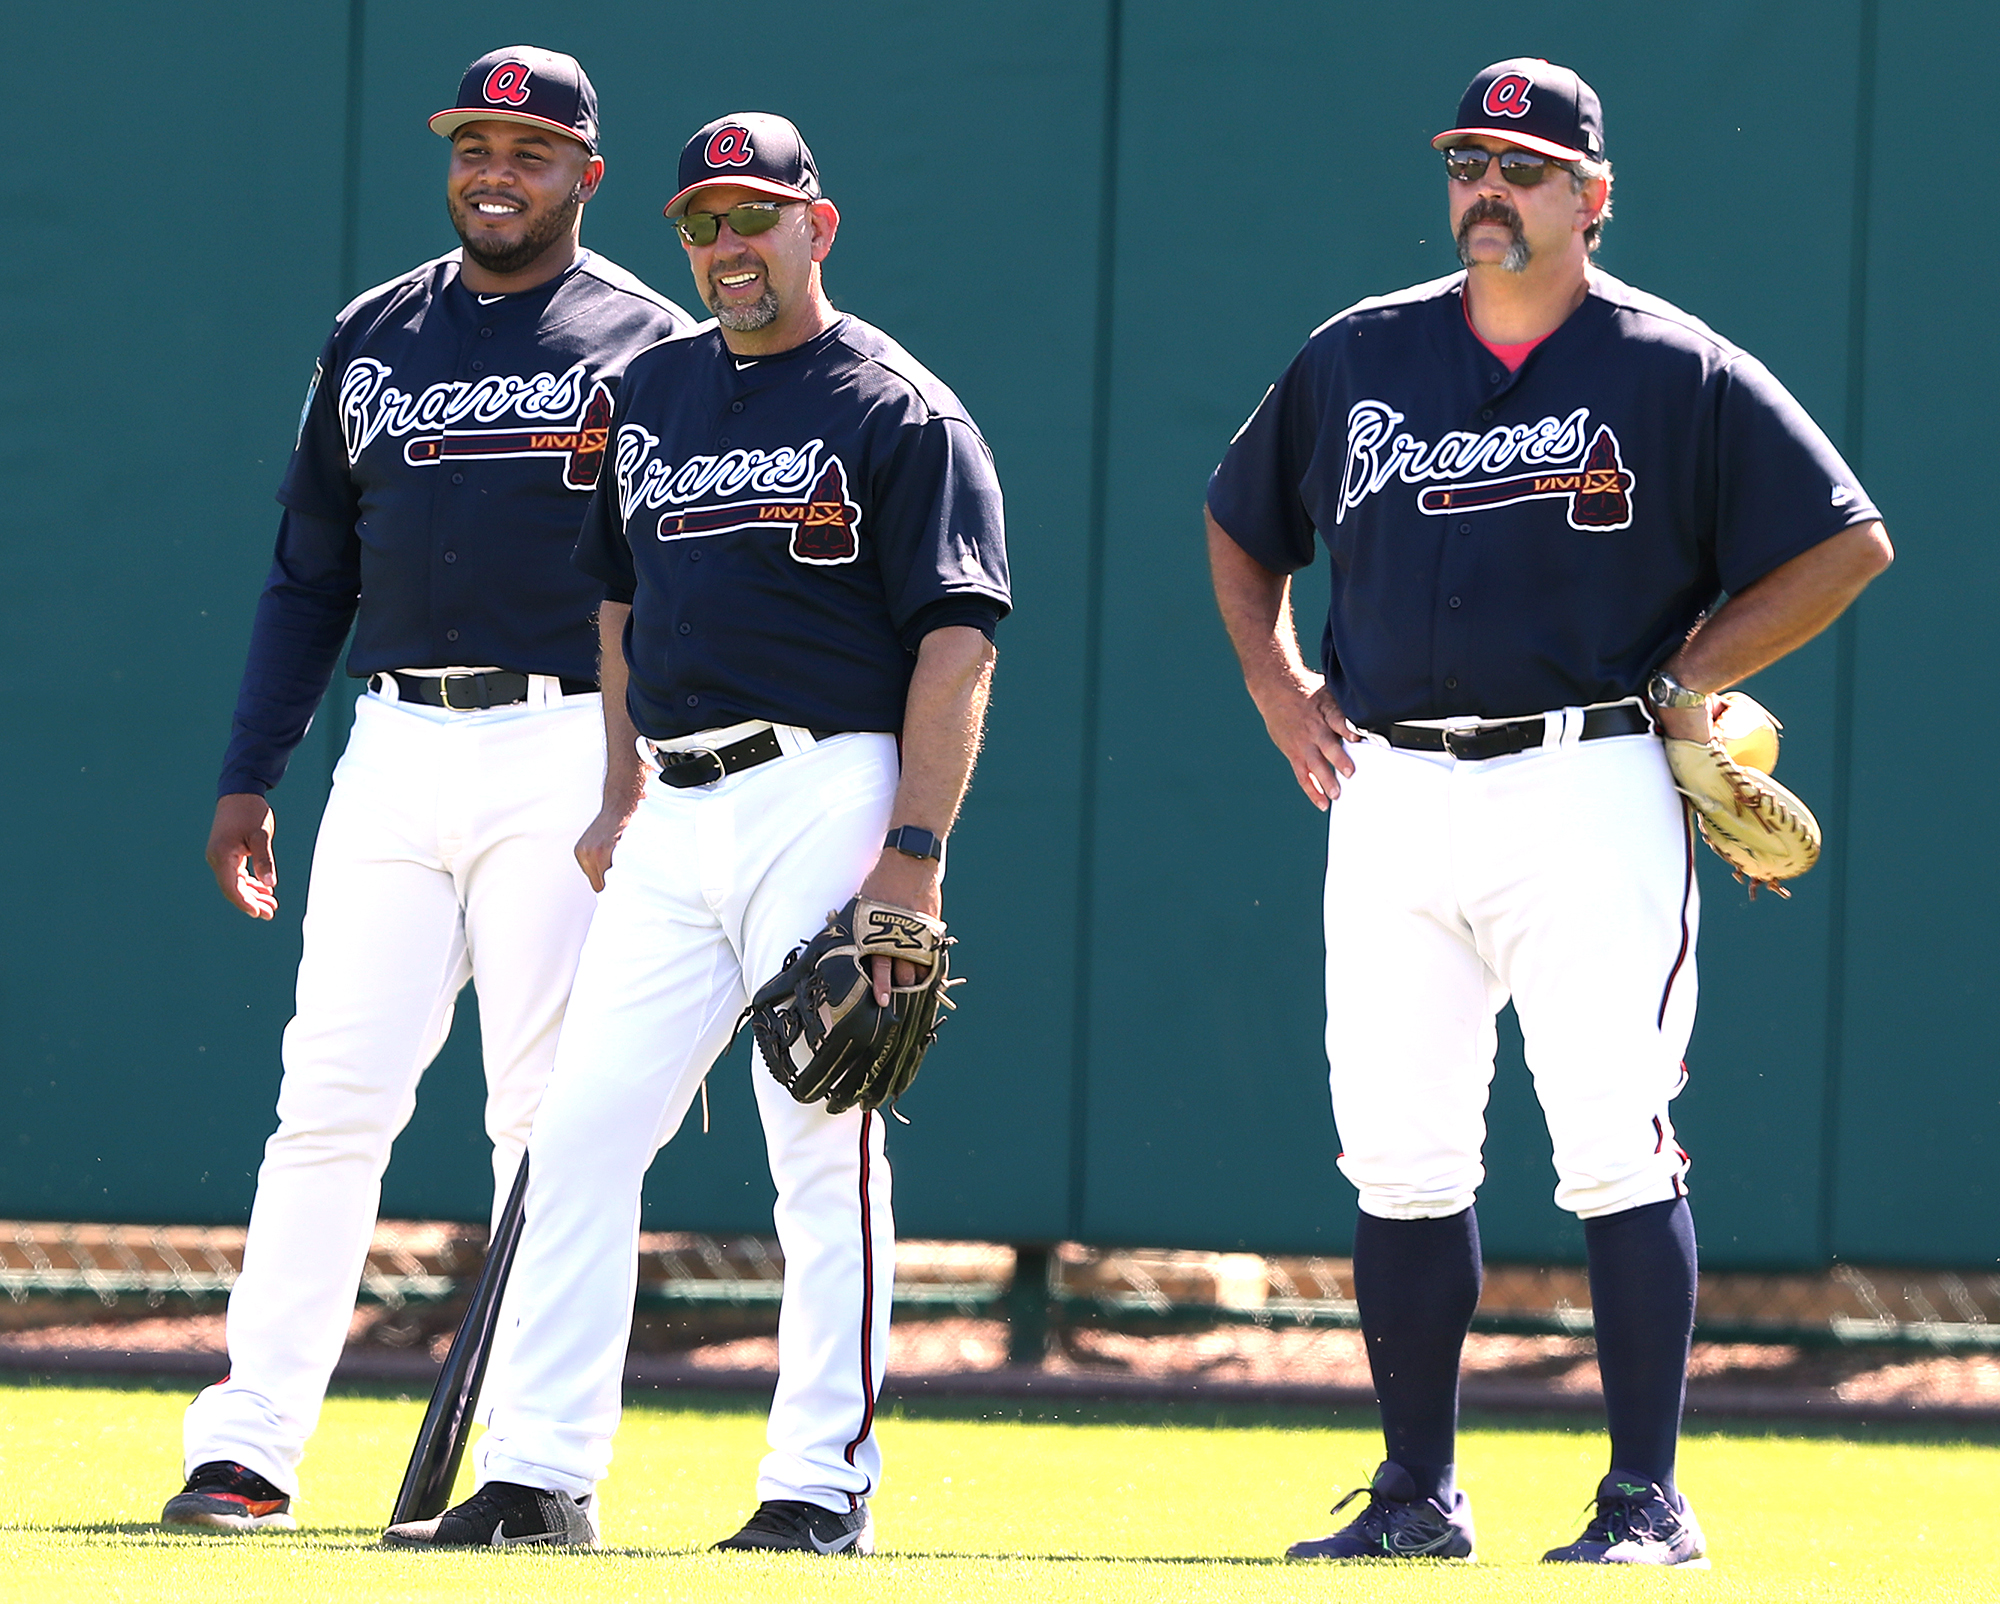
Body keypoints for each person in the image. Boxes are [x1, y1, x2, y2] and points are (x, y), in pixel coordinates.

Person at [1205, 58, 1891, 1566]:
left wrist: (1697, 669)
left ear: (1592, 196)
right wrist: (1275, 683)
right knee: (1397, 1152)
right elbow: (1240, 524)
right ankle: (1415, 1498)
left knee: (1613, 1143)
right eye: (1467, 164)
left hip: (1588, 778)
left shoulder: (1672, 366)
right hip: (1388, 786)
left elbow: (1847, 540)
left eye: (1519, 169)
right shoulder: (1358, 355)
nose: (1486, 193)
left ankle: (1647, 1500)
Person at [380, 111, 1010, 1555]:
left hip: (829, 786)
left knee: (823, 1140)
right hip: (677, 801)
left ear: (816, 225)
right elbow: (615, 605)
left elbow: (957, 645)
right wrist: (618, 790)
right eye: (704, 225)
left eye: (754, 216)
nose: (729, 246)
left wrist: (912, 854)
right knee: (581, 1130)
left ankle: (817, 1485)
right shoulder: (656, 390)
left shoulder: (899, 409)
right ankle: (540, 1475)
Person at [162, 46, 693, 1531]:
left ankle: (534, 1465)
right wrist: (249, 771)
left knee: (547, 1119)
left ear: (586, 174)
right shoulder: (374, 333)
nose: (494, 170)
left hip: (567, 746)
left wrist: (638, 777)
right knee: (326, 1101)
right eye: (474, 143)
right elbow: (305, 573)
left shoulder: (647, 346)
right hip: (391, 744)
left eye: (527, 149)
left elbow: (679, 583)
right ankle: (249, 1444)